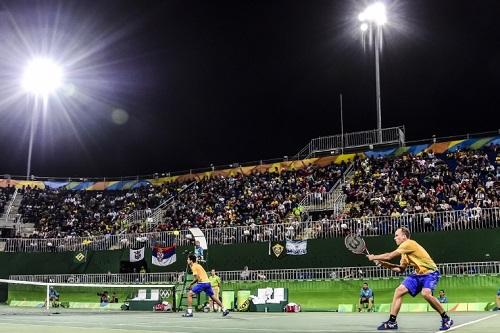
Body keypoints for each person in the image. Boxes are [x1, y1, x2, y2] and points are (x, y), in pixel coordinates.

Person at [367, 227, 453, 331]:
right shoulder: (404, 252)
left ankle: (446, 318)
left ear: (404, 236)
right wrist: (383, 263)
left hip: (430, 273)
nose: (395, 238)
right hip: (417, 274)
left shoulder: (409, 243)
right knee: (399, 291)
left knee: (426, 294)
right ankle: (392, 322)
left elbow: (389, 256)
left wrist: (374, 257)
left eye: (396, 235)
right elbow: (400, 269)